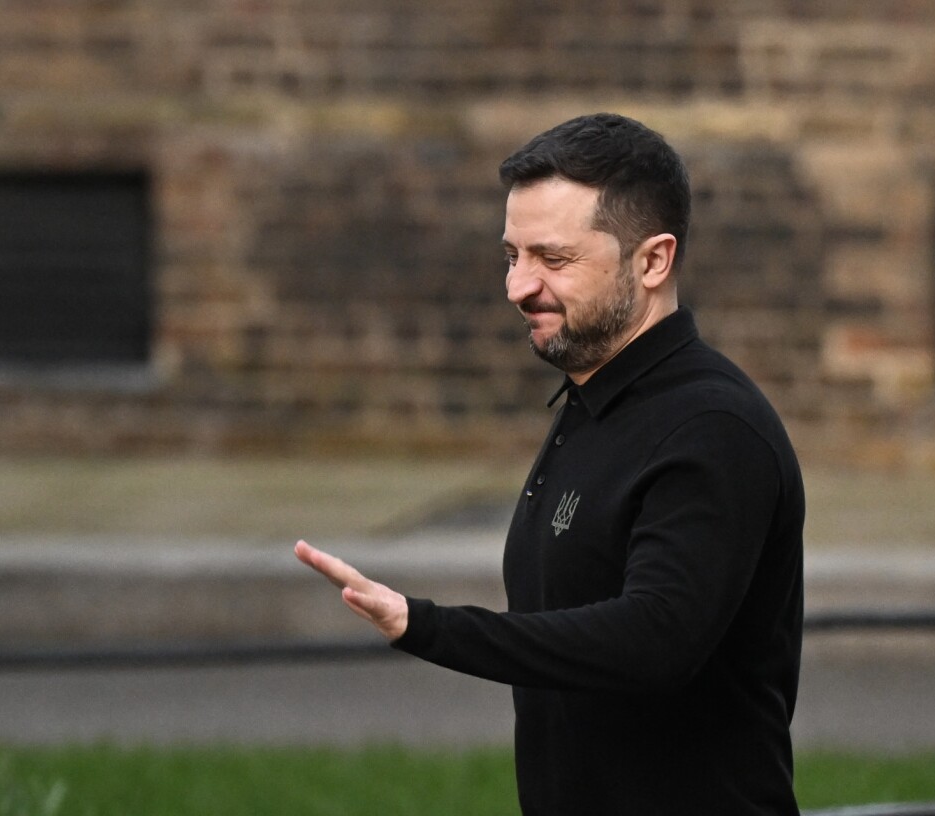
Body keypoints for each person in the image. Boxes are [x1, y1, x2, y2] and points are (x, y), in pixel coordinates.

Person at [295, 112, 805, 816]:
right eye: (512, 256)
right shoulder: (591, 402)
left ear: (653, 261)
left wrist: (427, 626)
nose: (518, 287)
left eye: (553, 260)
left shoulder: (712, 429)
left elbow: (655, 639)